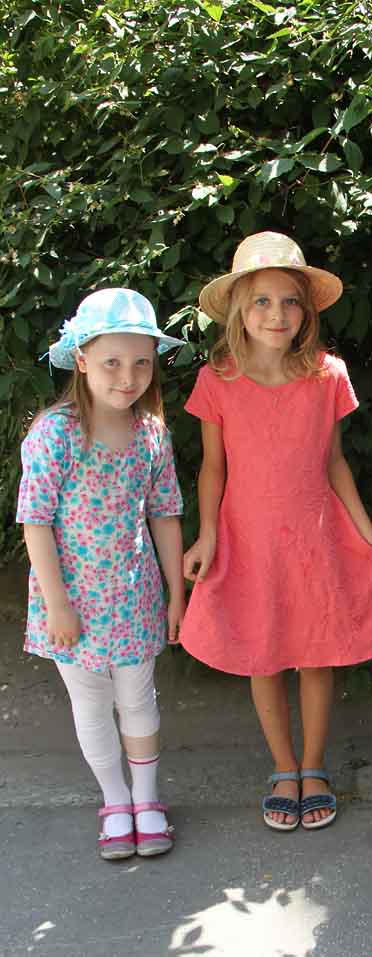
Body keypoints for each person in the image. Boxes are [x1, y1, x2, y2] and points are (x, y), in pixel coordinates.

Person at [179, 231, 372, 832]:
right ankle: (283, 768)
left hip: (315, 536)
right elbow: (213, 467)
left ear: (306, 312)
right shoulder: (217, 379)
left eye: (289, 302)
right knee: (263, 653)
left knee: (315, 652)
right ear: (239, 309)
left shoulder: (327, 375)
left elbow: (334, 461)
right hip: (249, 538)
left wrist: (366, 532)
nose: (276, 314)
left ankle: (313, 767)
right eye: (261, 301)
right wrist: (207, 535)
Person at [17, 288, 185, 860]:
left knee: (137, 697)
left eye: (141, 362)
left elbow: (164, 513)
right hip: (71, 602)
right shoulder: (55, 433)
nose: (128, 377)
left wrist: (176, 594)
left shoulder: (151, 433)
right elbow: (36, 522)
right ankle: (114, 801)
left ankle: (146, 799)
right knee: (90, 703)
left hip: (135, 595)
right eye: (112, 362)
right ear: (82, 359)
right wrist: (58, 604)